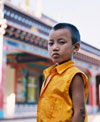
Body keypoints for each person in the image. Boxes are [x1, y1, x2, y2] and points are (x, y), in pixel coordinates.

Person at [37, 23, 89, 122]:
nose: (55, 47)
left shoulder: (74, 75)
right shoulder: (49, 74)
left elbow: (80, 112)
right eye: (51, 43)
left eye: (61, 42)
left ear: (76, 47)